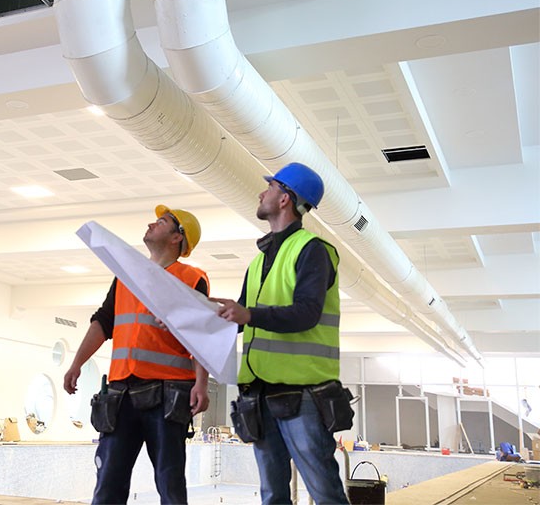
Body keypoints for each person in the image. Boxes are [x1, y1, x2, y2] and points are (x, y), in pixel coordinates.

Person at [213, 163, 351, 505]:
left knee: (325, 493)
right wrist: (194, 315)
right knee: (272, 494)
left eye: (269, 187)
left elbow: (307, 313)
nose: (262, 193)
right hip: (259, 392)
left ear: (285, 199)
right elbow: (242, 317)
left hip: (302, 393)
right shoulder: (258, 261)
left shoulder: (313, 250)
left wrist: (249, 313)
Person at [63, 205, 210, 505]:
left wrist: (202, 384)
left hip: (167, 396)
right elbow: (104, 321)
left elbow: (202, 336)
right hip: (121, 395)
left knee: (170, 487)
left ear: (177, 238)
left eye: (161, 222)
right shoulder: (126, 274)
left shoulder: (192, 278)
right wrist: (77, 363)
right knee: (107, 486)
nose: (151, 224)